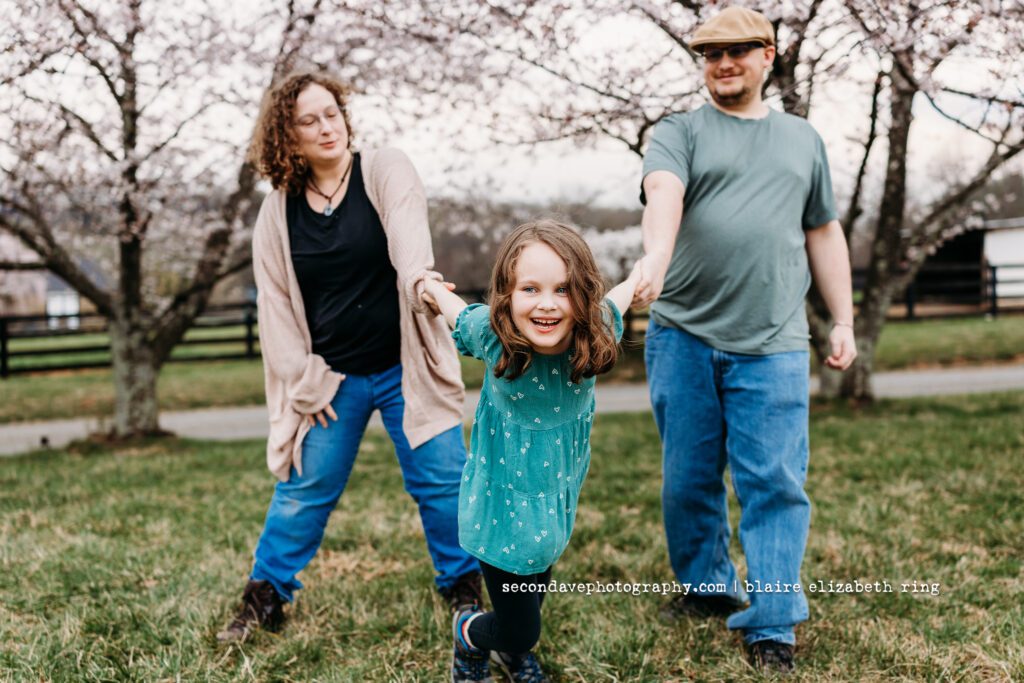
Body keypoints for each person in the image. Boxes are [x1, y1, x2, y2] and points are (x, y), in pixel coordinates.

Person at [216, 71, 482, 643]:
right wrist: (305, 380)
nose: (325, 126)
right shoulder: (278, 211)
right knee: (304, 488)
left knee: (442, 481)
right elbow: (276, 309)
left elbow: (411, 250)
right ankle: (265, 597)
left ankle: (463, 584)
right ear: (288, 136)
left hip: (404, 370)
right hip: (331, 381)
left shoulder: (384, 170)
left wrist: (427, 289)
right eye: (308, 120)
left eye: (331, 113)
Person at [634, 6, 858, 675]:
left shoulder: (802, 140)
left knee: (775, 483)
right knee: (688, 480)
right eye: (710, 54)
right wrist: (655, 256)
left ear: (767, 56)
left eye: (737, 52)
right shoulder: (679, 131)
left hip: (776, 343)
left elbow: (823, 228)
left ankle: (772, 621)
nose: (722, 64)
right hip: (683, 335)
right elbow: (662, 193)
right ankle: (706, 585)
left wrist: (841, 318)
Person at [421, 220, 640, 682]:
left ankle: (509, 649)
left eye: (563, 290)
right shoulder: (495, 337)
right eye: (530, 288)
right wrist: (429, 287)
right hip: (501, 508)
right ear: (506, 296)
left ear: (584, 295)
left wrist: (643, 277)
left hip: (552, 503)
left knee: (534, 588)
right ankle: (471, 634)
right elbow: (458, 311)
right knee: (522, 629)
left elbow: (621, 295)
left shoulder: (595, 332)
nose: (546, 303)